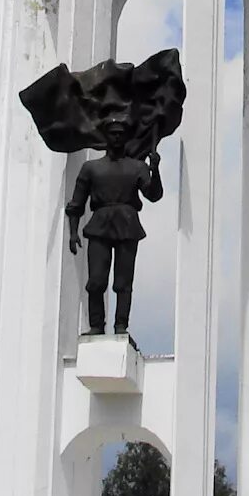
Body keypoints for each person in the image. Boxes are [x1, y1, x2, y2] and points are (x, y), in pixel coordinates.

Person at [66, 117, 163, 335]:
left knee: (123, 282)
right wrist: (73, 232)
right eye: (113, 133)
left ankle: (121, 326)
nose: (117, 136)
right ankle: (96, 326)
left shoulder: (137, 167)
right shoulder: (91, 168)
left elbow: (154, 195)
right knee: (96, 281)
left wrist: (155, 170)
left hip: (127, 225)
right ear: (106, 137)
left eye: (121, 133)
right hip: (99, 225)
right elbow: (76, 204)